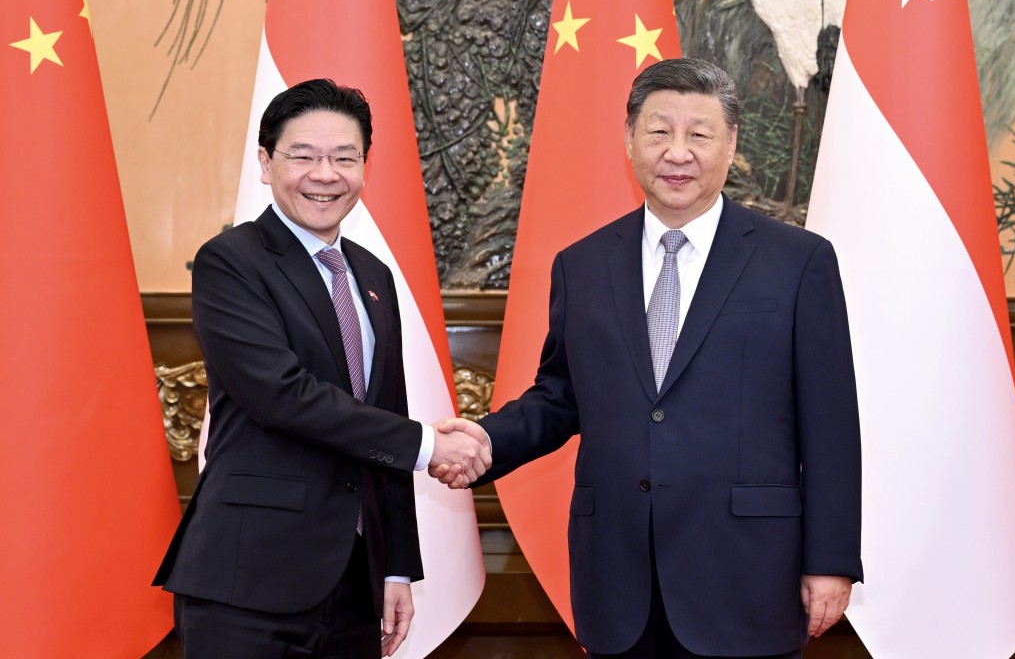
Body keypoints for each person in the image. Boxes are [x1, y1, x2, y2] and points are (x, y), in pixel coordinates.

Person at [436, 58, 862, 658]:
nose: (678, 152)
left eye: (700, 134)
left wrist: (831, 561)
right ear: (629, 138)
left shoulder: (797, 263)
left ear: (731, 142)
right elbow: (560, 397)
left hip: (747, 579)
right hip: (618, 578)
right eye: (660, 132)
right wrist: (484, 441)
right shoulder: (581, 265)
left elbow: (831, 425)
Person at [153, 79, 490, 659]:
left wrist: (396, 569)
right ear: (265, 162)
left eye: (344, 158)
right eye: (303, 156)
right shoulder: (231, 261)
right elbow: (281, 396)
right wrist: (429, 444)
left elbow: (385, 417)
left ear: (364, 167)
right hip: (249, 579)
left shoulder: (373, 276)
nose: (325, 174)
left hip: (356, 584)